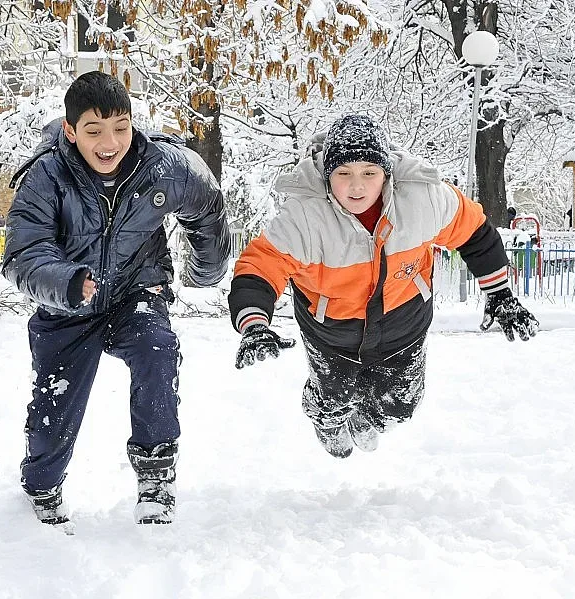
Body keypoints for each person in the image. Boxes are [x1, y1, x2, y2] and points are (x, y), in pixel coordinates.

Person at [228, 114, 539, 459]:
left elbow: (476, 232)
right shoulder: (304, 217)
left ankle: (368, 421)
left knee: (401, 405)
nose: (356, 187)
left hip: (403, 325)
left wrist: (500, 295)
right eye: (343, 173)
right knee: (334, 396)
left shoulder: (425, 199)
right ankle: (326, 418)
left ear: (386, 174)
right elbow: (260, 266)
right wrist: (254, 324)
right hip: (332, 335)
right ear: (328, 175)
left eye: (368, 173)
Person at [3, 71, 230, 527]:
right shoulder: (47, 176)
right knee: (56, 402)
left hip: (135, 292)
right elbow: (23, 252)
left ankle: (156, 476)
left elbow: (207, 204)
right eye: (94, 131)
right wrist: (66, 281)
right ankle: (42, 485)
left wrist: (205, 268)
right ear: (70, 130)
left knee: (157, 350)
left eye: (121, 127)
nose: (110, 142)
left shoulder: (163, 167)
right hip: (68, 304)